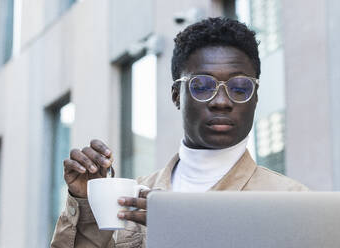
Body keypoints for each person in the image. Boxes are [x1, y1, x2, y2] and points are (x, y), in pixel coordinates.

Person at [50, 17, 308, 248]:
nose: (221, 101)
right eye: (203, 86)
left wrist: (187, 230)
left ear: (255, 98)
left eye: (239, 88)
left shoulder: (291, 203)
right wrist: (86, 205)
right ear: (176, 96)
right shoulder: (132, 198)